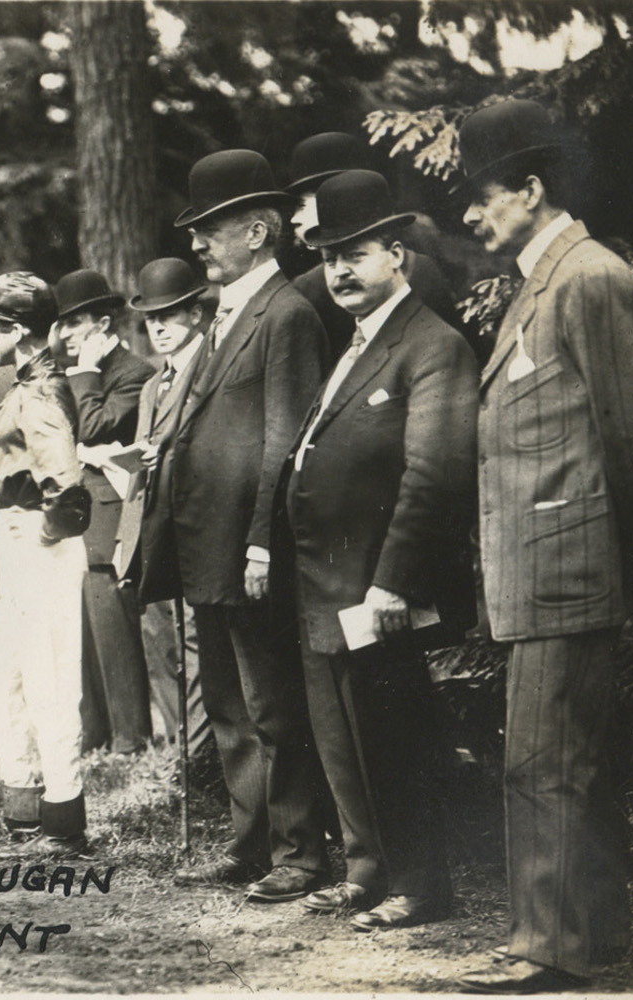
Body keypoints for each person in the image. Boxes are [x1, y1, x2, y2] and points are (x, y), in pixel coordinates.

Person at [451, 100, 633, 994]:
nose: (470, 217)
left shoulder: (587, 278)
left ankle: (547, 948)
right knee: (562, 757)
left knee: (542, 762)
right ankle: (590, 935)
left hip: (567, 566)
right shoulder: (538, 282)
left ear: (532, 189)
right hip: (543, 567)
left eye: (482, 196)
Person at [284, 169, 477, 931]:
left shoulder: (431, 346)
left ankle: (425, 887)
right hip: (330, 579)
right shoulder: (358, 342)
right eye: (328, 257)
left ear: (396, 254)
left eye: (354, 254)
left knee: (397, 735)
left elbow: (432, 476)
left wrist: (392, 583)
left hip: (380, 586)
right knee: (359, 738)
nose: (337, 271)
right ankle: (391, 875)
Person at [161, 150, 332, 903]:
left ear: (259, 231)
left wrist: (264, 539)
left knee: (272, 704)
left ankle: (299, 852)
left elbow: (283, 440)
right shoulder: (228, 313)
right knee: (228, 705)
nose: (196, 244)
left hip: (250, 547)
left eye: (210, 229)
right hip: (207, 544)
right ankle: (252, 841)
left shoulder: (287, 313)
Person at [0, 271, 92, 856]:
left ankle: (63, 822)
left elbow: (68, 491)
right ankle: (24, 808)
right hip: (18, 542)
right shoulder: (27, 381)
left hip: (39, 545)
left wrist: (39, 536)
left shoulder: (40, 392)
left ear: (16, 331)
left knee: (49, 684)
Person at [113, 257, 214, 765]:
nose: (159, 328)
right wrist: (125, 543)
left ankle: (199, 759)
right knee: (162, 643)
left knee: (197, 644)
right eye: (151, 319)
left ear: (195, 315)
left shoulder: (213, 367)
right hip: (153, 532)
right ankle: (183, 751)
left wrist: (169, 457)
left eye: (170, 315)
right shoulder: (154, 384)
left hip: (198, 530)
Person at [51, 269, 154, 756]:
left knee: (112, 628)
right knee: (82, 631)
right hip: (76, 511)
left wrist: (86, 373)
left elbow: (91, 428)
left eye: (75, 323)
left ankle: (130, 737)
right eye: (63, 324)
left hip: (111, 513)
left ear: (103, 323)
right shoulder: (72, 371)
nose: (66, 334)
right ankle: (94, 732)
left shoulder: (133, 372)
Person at [283, 132, 467, 362]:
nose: (294, 220)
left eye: (302, 205)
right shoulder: (310, 284)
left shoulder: (309, 289)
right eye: (331, 260)